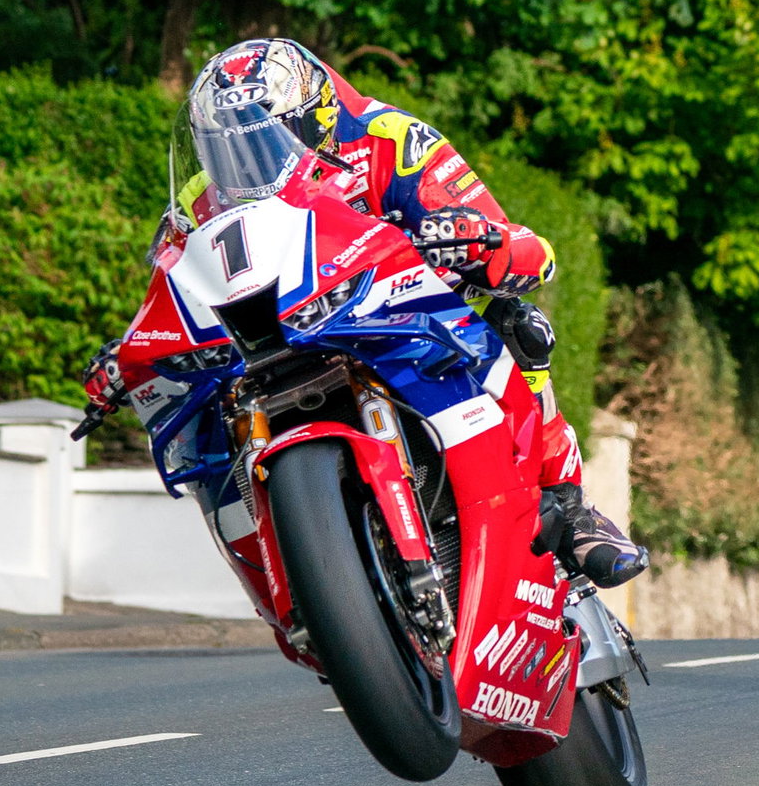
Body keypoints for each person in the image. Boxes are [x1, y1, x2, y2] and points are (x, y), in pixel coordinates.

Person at [85, 37, 647, 588]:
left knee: (518, 325)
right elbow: (178, 284)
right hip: (281, 340)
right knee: (209, 410)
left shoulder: (393, 141)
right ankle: (292, 578)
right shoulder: (198, 200)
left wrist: (475, 240)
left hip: (395, 312)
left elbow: (517, 245)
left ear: (317, 115)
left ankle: (570, 507)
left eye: (265, 138)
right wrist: (134, 349)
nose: (243, 162)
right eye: (224, 147)